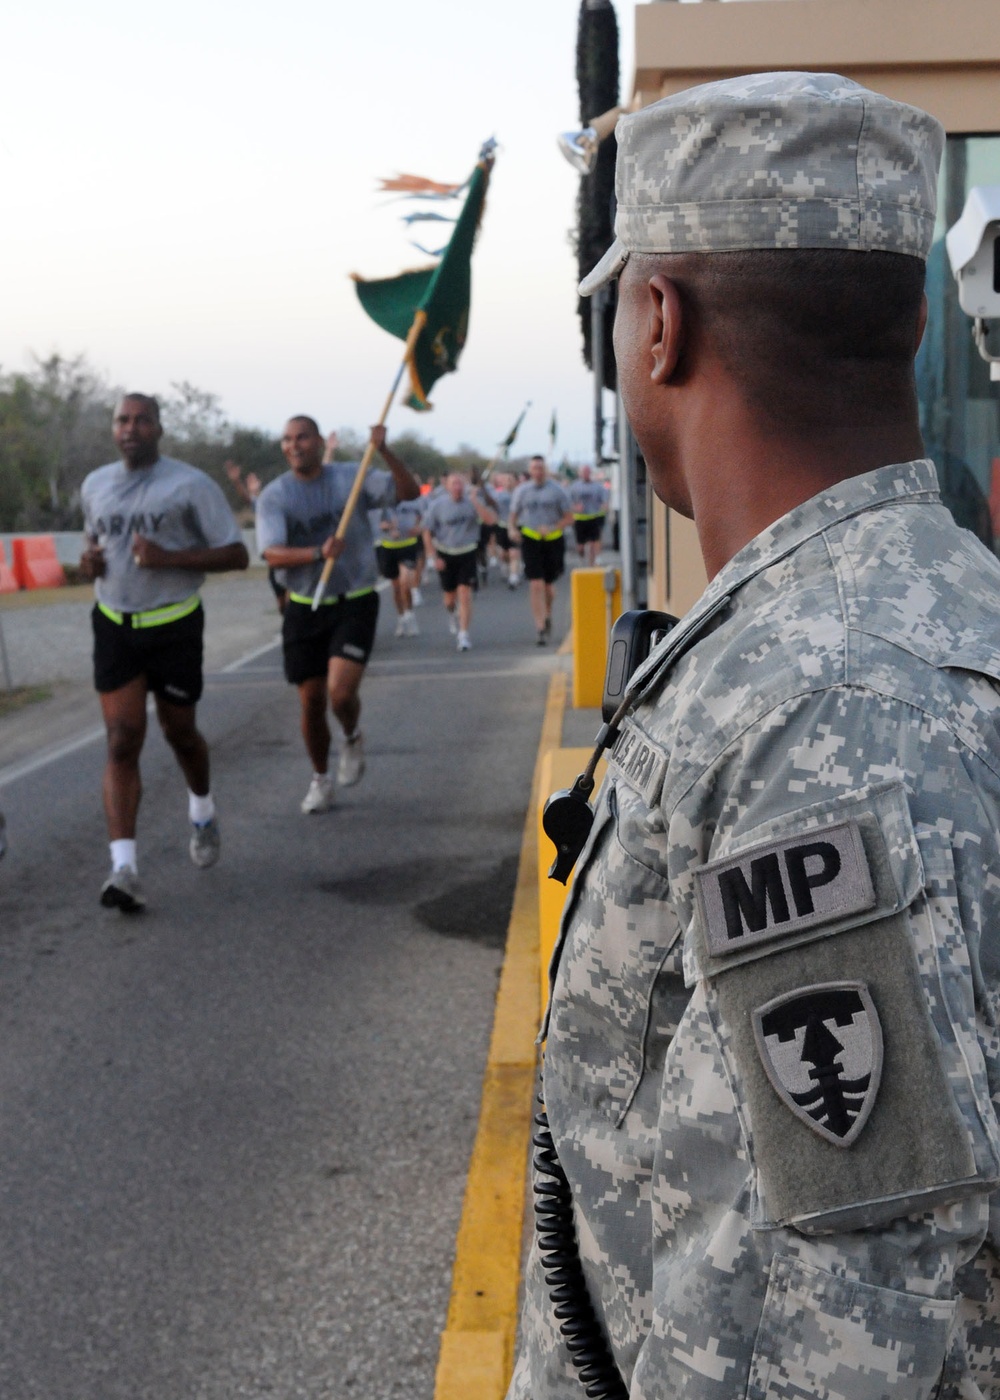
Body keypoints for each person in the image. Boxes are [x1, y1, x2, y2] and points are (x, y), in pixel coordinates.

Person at [508, 72, 1000, 1400]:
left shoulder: (816, 709)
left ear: (659, 323)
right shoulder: (939, 611)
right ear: (903, 322)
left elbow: (832, 1336)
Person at [79, 394, 249, 912]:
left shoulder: (190, 484)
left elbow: (238, 554)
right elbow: (96, 546)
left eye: (141, 420)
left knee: (180, 733)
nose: (130, 428)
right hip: (115, 624)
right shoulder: (95, 484)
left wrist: (168, 558)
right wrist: (90, 564)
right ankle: (124, 868)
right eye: (122, 420)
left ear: (158, 429)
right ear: (114, 430)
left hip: (174, 624)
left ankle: (201, 808)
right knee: (122, 738)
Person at [256, 416, 418, 813]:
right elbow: (271, 553)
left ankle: (351, 734)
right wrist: (315, 553)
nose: (295, 445)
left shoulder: (351, 476)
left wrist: (384, 450)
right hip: (304, 605)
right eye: (288, 439)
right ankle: (320, 779)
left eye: (303, 438)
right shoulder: (275, 496)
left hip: (354, 598)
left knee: (340, 693)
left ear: (317, 442)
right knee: (311, 700)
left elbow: (407, 491)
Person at [421, 473, 495, 651]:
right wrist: (433, 557)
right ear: (447, 486)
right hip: (446, 554)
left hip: (467, 552)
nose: (457, 487)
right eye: (454, 484)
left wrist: (476, 501)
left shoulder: (472, 503)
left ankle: (463, 634)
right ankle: (453, 613)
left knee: (465, 594)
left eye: (460, 484)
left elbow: (491, 520)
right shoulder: (437, 505)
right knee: (449, 598)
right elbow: (427, 532)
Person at [508, 456, 573, 644]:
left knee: (549, 588)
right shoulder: (522, 491)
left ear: (545, 469)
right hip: (530, 538)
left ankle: (548, 614)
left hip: (552, 540)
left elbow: (569, 517)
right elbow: (513, 515)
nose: (537, 471)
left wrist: (553, 527)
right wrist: (512, 529)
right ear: (530, 471)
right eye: (534, 468)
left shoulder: (558, 490)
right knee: (535, 584)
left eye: (540, 468)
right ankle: (540, 627)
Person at [376, 493, 424, 637]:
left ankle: (410, 615)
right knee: (396, 588)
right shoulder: (381, 503)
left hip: (408, 545)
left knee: (405, 583)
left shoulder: (412, 501)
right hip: (388, 547)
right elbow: (375, 523)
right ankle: (401, 617)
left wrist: (418, 528)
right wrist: (388, 527)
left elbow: (424, 517)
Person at [570, 464, 608, 565]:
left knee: (593, 542)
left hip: (593, 517)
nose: (586, 474)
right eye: (583, 472)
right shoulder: (574, 487)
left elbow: (604, 501)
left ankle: (593, 564)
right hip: (580, 518)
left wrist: (604, 507)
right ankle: (581, 556)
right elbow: (568, 504)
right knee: (580, 546)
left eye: (587, 472)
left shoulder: (598, 486)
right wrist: (575, 508)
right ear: (580, 474)